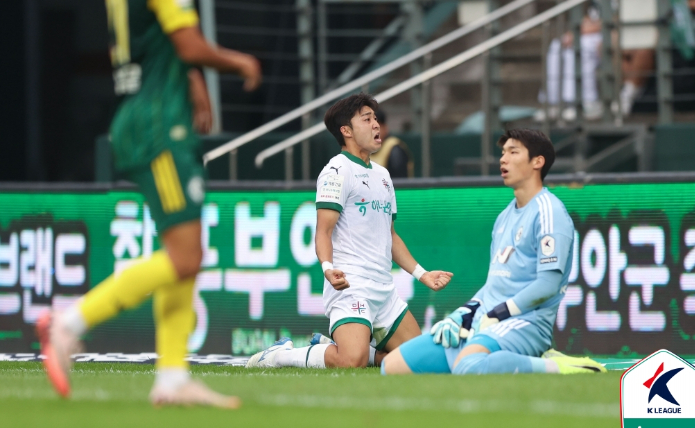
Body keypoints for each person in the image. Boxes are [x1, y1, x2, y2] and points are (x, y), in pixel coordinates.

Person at [36, 0, 261, 408]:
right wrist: (239, 62)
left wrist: (186, 79)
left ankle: (172, 378)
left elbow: (158, 46)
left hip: (146, 114)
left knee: (183, 256)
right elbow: (189, 45)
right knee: (185, 257)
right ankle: (68, 324)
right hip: (159, 127)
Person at [246, 93, 453, 370]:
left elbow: (390, 235)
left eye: (376, 118)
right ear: (346, 131)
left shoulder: (383, 175)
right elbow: (323, 232)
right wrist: (328, 267)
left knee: (420, 363)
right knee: (350, 360)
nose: (376, 125)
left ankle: (328, 346)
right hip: (351, 287)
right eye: (367, 119)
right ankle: (280, 355)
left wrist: (422, 273)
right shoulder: (336, 171)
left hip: (384, 291)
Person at [381, 129, 606, 376]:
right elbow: (494, 286)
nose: (503, 159)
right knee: (391, 367)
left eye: (513, 152)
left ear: (537, 162)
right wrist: (462, 314)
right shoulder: (503, 217)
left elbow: (548, 284)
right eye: (502, 152)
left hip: (526, 323)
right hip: (488, 320)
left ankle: (559, 367)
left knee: (468, 366)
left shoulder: (549, 211)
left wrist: (500, 312)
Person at [369, 109, 413, 178]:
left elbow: (399, 182)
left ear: (385, 127)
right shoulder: (362, 149)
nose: (373, 131)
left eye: (376, 127)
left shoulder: (394, 149)